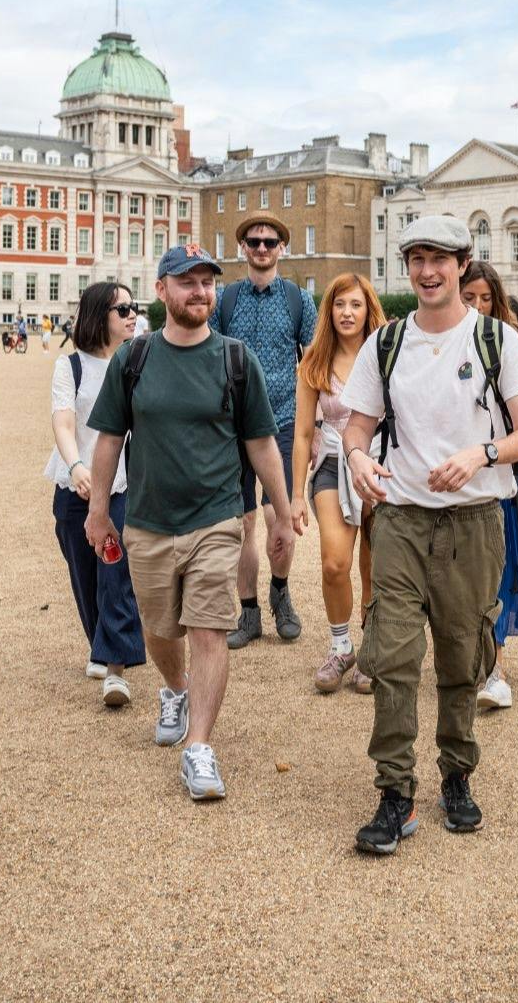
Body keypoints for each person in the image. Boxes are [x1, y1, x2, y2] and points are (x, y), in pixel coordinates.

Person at [339, 217, 518, 854]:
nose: (428, 272)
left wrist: (481, 455)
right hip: (400, 519)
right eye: (417, 260)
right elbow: (356, 426)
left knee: (461, 658)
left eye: (440, 259)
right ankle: (394, 792)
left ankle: (456, 774)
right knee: (393, 656)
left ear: (463, 263)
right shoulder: (387, 342)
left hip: (474, 523)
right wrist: (357, 459)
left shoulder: (496, 341)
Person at [84, 243, 297, 802]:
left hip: (218, 517)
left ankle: (199, 747)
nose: (200, 292)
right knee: (161, 628)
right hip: (150, 521)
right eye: (187, 281)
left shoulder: (235, 359)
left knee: (208, 627)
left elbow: (261, 443)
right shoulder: (134, 359)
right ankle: (174, 689)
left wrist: (281, 510)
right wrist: (99, 510)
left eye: (207, 283)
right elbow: (109, 438)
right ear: (162, 291)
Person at [213, 213, 317, 649]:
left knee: (283, 519)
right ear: (242, 248)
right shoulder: (226, 300)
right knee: (242, 524)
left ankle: (280, 590)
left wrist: (317, 428)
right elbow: (208, 359)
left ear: (282, 248)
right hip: (234, 427)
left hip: (284, 422)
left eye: (269, 242)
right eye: (253, 242)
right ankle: (249, 610)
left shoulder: (299, 301)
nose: (261, 248)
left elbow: (313, 366)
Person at [459, 262, 518, 714]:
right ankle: (475, 657)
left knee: (506, 570)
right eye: (468, 297)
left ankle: (495, 671)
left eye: (484, 298)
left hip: (515, 473)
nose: (477, 306)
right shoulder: (449, 344)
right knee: (471, 572)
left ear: (497, 299)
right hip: (467, 470)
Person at [48, 281, 146, 708]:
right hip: (73, 484)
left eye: (133, 307)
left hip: (117, 484)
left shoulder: (136, 362)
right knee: (83, 575)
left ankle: (115, 667)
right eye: (121, 308)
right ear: (96, 315)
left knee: (114, 570)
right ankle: (100, 642)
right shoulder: (69, 366)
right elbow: (64, 423)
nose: (130, 315)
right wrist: (76, 466)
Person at [290, 272, 385, 693]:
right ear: (329, 310)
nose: (347, 313)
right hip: (331, 462)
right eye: (339, 304)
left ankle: (372, 649)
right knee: (334, 561)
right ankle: (340, 645)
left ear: (368, 310)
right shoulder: (314, 359)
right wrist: (295, 493)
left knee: (376, 565)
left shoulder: (386, 352)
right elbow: (302, 434)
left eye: (355, 304)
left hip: (381, 465)